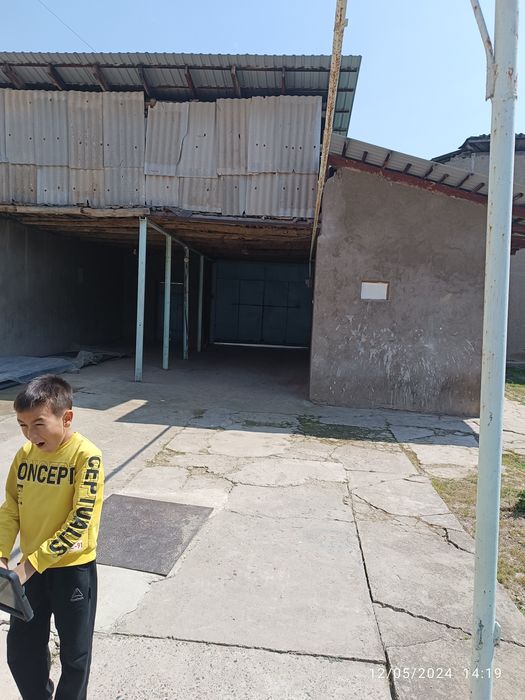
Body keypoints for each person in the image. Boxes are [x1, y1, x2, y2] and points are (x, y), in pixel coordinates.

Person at [0, 374, 104, 700]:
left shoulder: (86, 456)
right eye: (22, 425)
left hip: (72, 571)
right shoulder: (25, 456)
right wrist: (2, 554)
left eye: (39, 424)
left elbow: (80, 522)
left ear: (66, 417)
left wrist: (29, 566)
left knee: (75, 657)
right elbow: (11, 508)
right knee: (21, 651)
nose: (30, 434)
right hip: (28, 572)